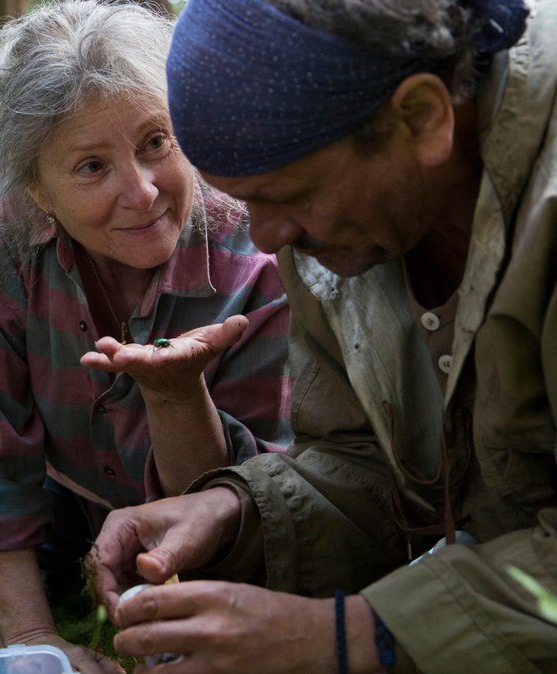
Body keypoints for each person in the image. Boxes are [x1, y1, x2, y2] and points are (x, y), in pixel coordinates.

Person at [87, 0, 557, 672]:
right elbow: (366, 461)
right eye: (245, 202)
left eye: (287, 193)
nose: (268, 236)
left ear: (420, 118)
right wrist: (234, 511)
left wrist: (354, 637)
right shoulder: (345, 223)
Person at [0, 2, 294, 671]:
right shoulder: (1, 218)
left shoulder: (253, 236)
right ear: (38, 191)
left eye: (155, 143)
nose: (140, 192)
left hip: (209, 515)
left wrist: (176, 395)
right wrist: (31, 641)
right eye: (92, 166)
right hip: (65, 491)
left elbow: (258, 494)